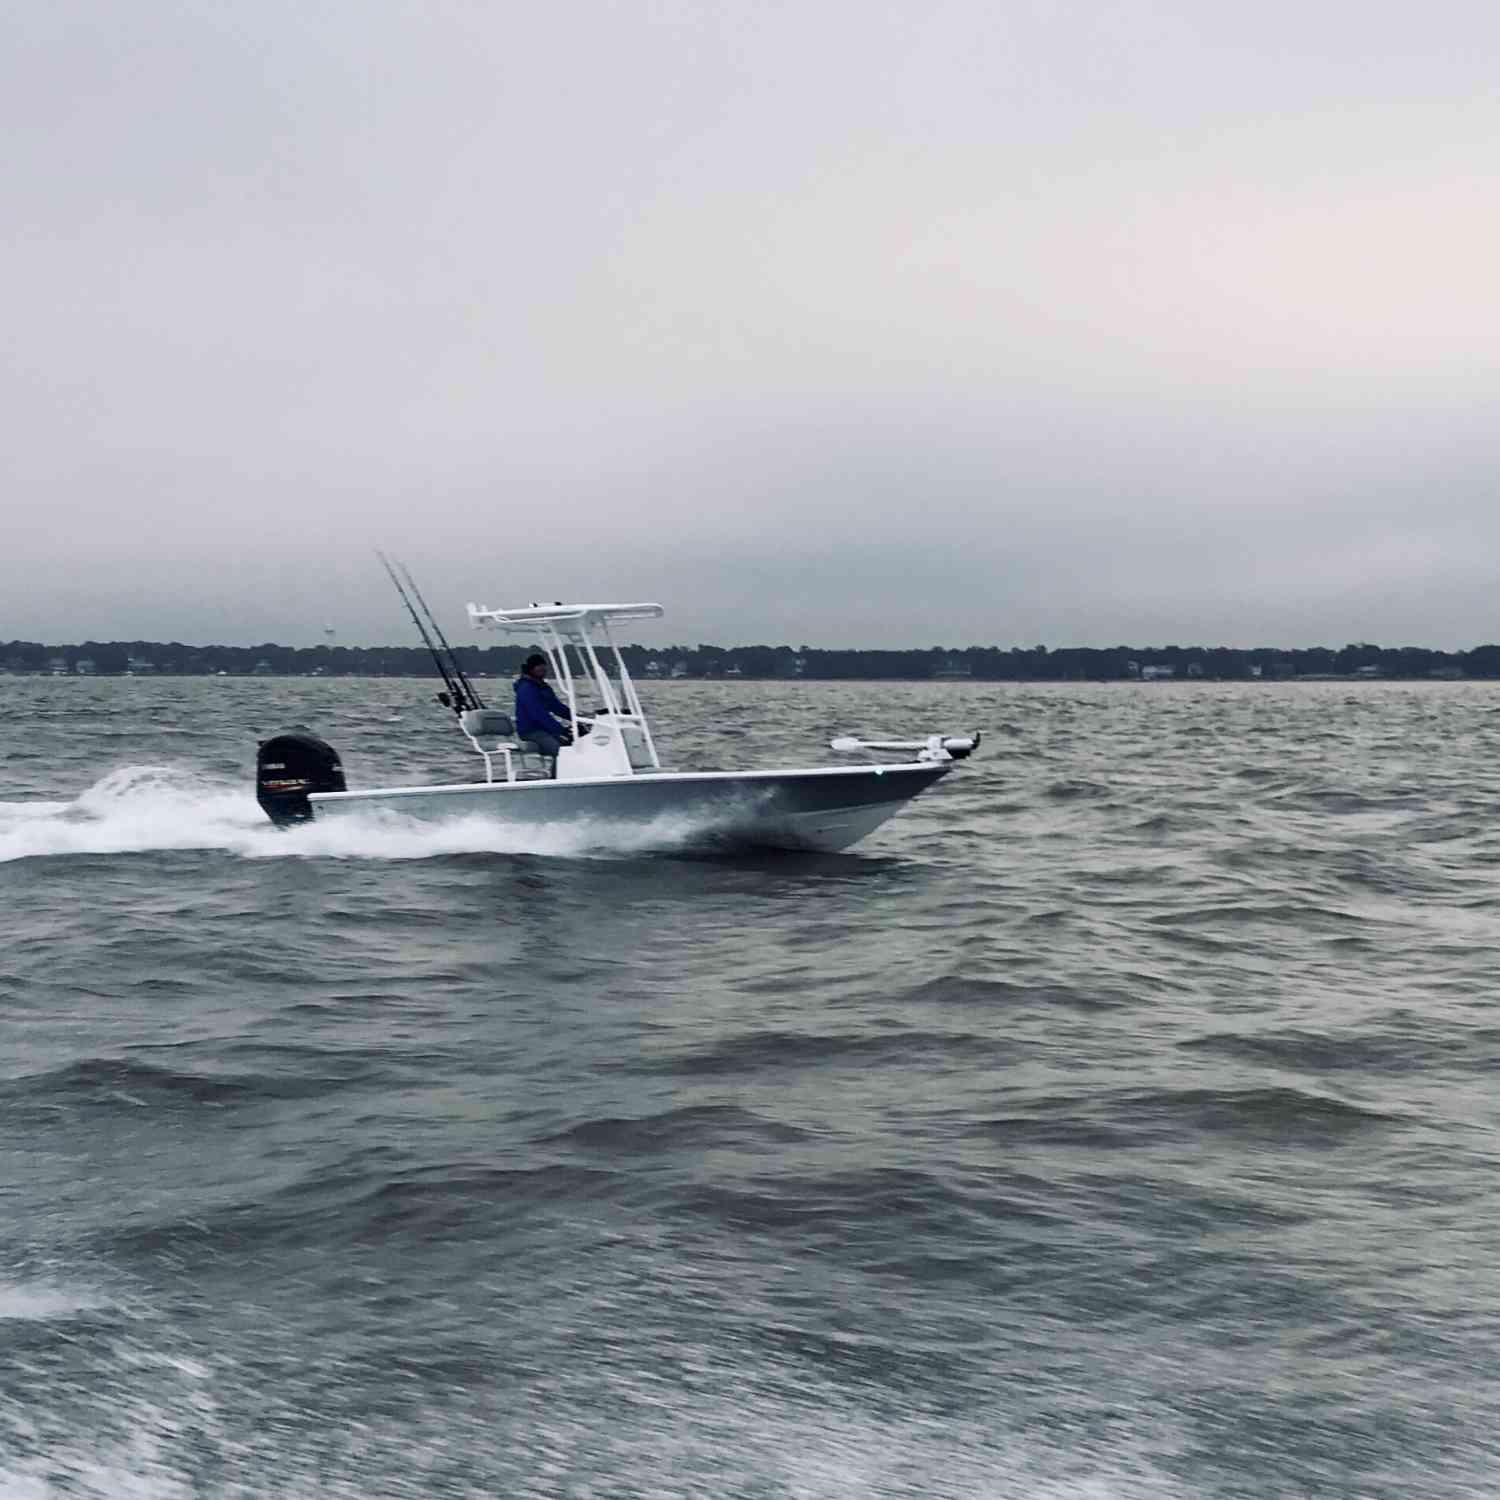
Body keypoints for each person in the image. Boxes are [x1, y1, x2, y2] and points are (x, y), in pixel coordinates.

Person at [513, 653, 573, 771]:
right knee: (561, 750)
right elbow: (538, 714)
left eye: (544, 667)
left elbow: (557, 707)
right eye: (539, 667)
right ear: (531, 669)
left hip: (546, 730)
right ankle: (557, 780)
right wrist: (560, 730)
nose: (543, 670)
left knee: (575, 744)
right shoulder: (526, 688)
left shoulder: (544, 687)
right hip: (531, 731)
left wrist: (576, 718)